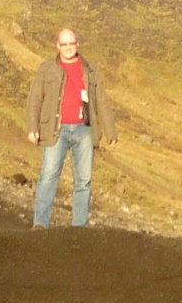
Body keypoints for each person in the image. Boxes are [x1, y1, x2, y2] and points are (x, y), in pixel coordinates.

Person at [24, 27, 117, 227]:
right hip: (55, 130)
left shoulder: (89, 70)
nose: (67, 48)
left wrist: (111, 132)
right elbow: (34, 100)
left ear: (77, 44)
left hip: (84, 130)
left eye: (71, 44)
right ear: (58, 46)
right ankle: (40, 224)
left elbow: (102, 101)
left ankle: (79, 227)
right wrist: (32, 127)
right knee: (48, 177)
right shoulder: (47, 68)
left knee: (83, 181)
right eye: (64, 44)